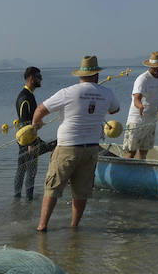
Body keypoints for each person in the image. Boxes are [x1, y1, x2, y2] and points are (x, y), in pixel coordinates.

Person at [31, 55, 120, 232]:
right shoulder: (107, 92)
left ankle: (42, 226)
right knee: (81, 191)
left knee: (53, 187)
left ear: (81, 74)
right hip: (91, 149)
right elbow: (115, 109)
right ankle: (74, 226)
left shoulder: (68, 92)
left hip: (67, 147)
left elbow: (41, 109)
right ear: (96, 75)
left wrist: (36, 125)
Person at [123, 50, 158, 159]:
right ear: (150, 66)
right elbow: (136, 98)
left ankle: (140, 172)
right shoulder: (143, 79)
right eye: (154, 67)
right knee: (131, 152)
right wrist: (140, 106)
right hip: (136, 121)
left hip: (151, 121)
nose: (156, 69)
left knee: (144, 152)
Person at [14, 66, 49, 200]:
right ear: (31, 78)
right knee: (30, 171)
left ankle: (18, 201)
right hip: (28, 140)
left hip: (26, 139)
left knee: (22, 170)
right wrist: (30, 144)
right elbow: (24, 123)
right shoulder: (25, 98)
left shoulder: (29, 95)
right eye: (39, 77)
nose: (41, 79)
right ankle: (28, 200)